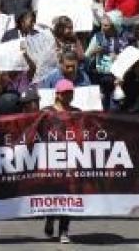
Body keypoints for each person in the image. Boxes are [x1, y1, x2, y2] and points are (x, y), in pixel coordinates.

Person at [43, 79, 79, 243]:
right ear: (57, 94)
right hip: (51, 159)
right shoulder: (46, 113)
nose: (68, 96)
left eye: (70, 92)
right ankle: (50, 218)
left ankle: (64, 230)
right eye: (65, 93)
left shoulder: (77, 112)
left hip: (70, 159)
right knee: (52, 192)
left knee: (69, 194)